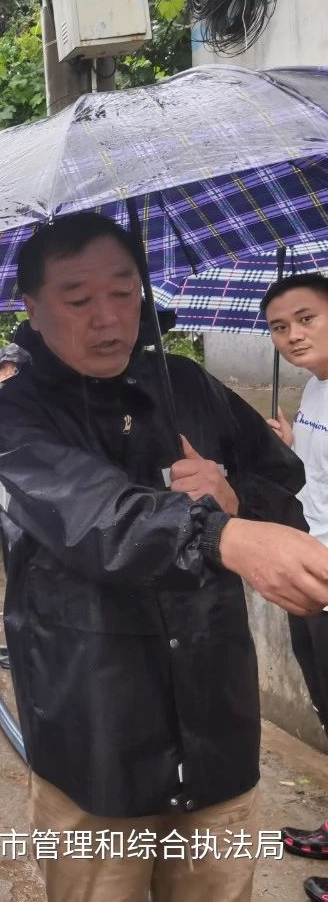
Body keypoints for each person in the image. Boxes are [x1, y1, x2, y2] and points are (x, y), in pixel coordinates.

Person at [0, 213, 328, 901]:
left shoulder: (189, 386)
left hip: (217, 731)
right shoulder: (18, 416)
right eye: (79, 300)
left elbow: (285, 489)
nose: (108, 318)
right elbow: (95, 516)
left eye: (124, 290)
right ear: (32, 306)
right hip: (95, 737)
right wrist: (218, 534)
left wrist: (232, 497)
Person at [260, 273, 328, 895]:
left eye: (306, 318)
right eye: (280, 327)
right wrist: (289, 444)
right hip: (309, 564)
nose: (293, 336)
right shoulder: (312, 392)